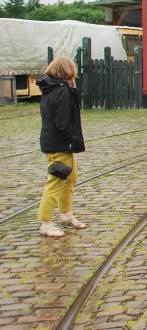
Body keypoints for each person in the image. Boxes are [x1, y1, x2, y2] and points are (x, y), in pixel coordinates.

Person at [37, 57, 87, 238]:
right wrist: (71, 139)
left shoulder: (52, 89)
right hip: (59, 143)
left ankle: (66, 214)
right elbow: (63, 121)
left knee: (70, 177)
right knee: (56, 181)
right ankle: (46, 222)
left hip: (58, 142)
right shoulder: (62, 91)